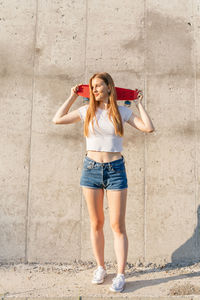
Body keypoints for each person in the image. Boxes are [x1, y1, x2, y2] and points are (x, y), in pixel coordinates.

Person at [52, 72, 155, 292]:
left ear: (109, 87)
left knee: (117, 225)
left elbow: (148, 127)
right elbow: (57, 119)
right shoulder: (86, 111)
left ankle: (120, 274)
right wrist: (71, 97)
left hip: (115, 169)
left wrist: (139, 104)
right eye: (92, 87)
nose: (95, 90)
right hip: (91, 169)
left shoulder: (121, 112)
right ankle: (100, 267)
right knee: (96, 222)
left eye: (99, 86)